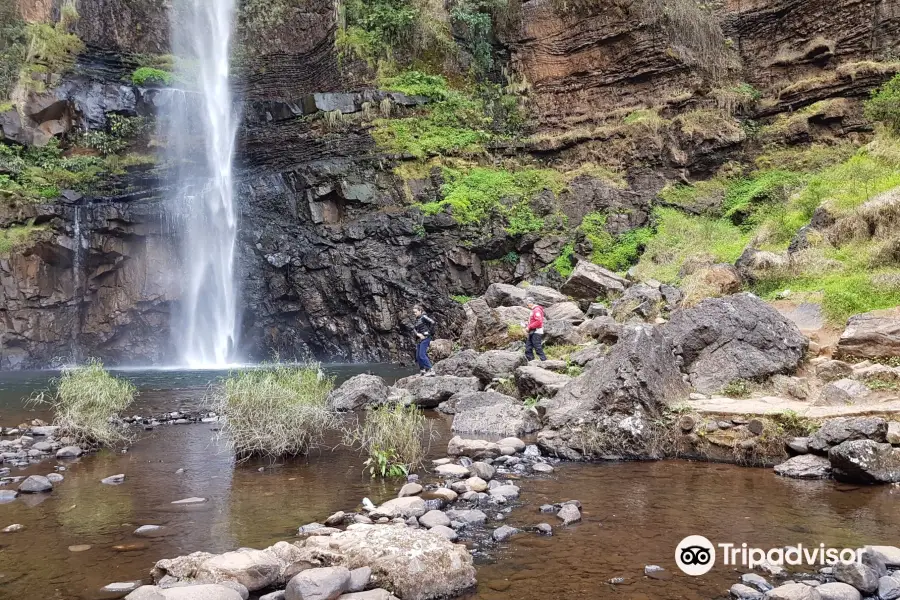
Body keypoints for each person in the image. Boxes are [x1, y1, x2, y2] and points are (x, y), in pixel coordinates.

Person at [413, 304, 436, 376]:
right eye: (414, 312)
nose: (414, 313)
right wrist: (418, 334)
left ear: (420, 311)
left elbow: (433, 322)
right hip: (419, 339)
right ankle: (422, 370)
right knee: (418, 356)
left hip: (426, 338)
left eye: (416, 312)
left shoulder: (423, 317)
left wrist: (428, 333)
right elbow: (413, 329)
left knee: (422, 355)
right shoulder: (417, 319)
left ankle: (431, 370)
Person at [524, 296, 547, 362]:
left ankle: (544, 362)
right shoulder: (533, 310)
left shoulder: (536, 310)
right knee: (528, 348)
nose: (527, 305)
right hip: (532, 332)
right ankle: (531, 362)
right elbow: (534, 321)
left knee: (537, 348)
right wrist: (527, 325)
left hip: (536, 332)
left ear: (530, 303)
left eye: (527, 303)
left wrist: (529, 327)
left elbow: (539, 322)